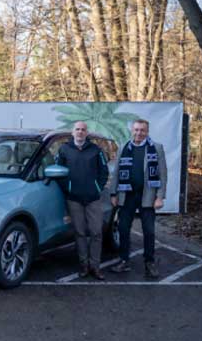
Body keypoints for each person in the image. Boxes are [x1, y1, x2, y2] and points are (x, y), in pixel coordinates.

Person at [110, 119, 167, 278]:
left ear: (147, 131)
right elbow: (116, 173)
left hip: (147, 197)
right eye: (136, 130)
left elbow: (163, 174)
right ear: (132, 130)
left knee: (149, 231)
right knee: (123, 229)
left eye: (142, 130)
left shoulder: (156, 148)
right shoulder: (124, 147)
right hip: (126, 195)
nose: (139, 133)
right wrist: (113, 193)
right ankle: (124, 261)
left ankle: (149, 263)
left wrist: (160, 197)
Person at [55, 121, 110, 280]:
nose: (80, 132)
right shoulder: (64, 149)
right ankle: (84, 266)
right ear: (73, 132)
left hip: (93, 199)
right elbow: (58, 171)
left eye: (83, 130)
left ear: (87, 133)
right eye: (77, 129)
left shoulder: (95, 150)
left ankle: (96, 267)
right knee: (79, 233)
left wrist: (97, 189)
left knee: (96, 232)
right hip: (74, 199)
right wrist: (68, 188)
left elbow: (104, 172)